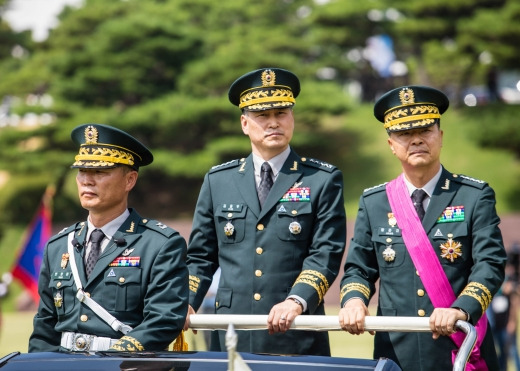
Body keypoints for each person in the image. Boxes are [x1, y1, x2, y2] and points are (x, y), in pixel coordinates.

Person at [338, 85, 507, 370]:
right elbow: (359, 268)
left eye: (425, 131)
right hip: (396, 351)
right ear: (391, 144)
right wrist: (354, 300)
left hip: (459, 347)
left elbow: (490, 264)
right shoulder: (374, 202)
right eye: (404, 134)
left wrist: (461, 308)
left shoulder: (474, 196)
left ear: (440, 137)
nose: (416, 140)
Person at [184, 68, 346, 355]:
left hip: (296, 330)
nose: (274, 123)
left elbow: (326, 253)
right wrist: (185, 301)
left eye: (281, 114)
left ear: (292, 118)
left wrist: (297, 300)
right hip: (231, 333)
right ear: (245, 123)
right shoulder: (219, 180)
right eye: (263, 116)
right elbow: (201, 257)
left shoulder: (321, 179)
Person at [29, 124, 189, 352]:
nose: (87, 180)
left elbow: (163, 319)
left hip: (124, 364)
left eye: (100, 172)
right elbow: (45, 327)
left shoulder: (159, 244)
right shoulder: (58, 246)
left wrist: (109, 361)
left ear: (130, 180)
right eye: (82, 171)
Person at [488, 250, 520, 371]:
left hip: (506, 323)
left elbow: (514, 301)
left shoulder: (510, 280)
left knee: (511, 351)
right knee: (497, 353)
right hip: (494, 323)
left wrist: (512, 322)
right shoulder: (494, 280)